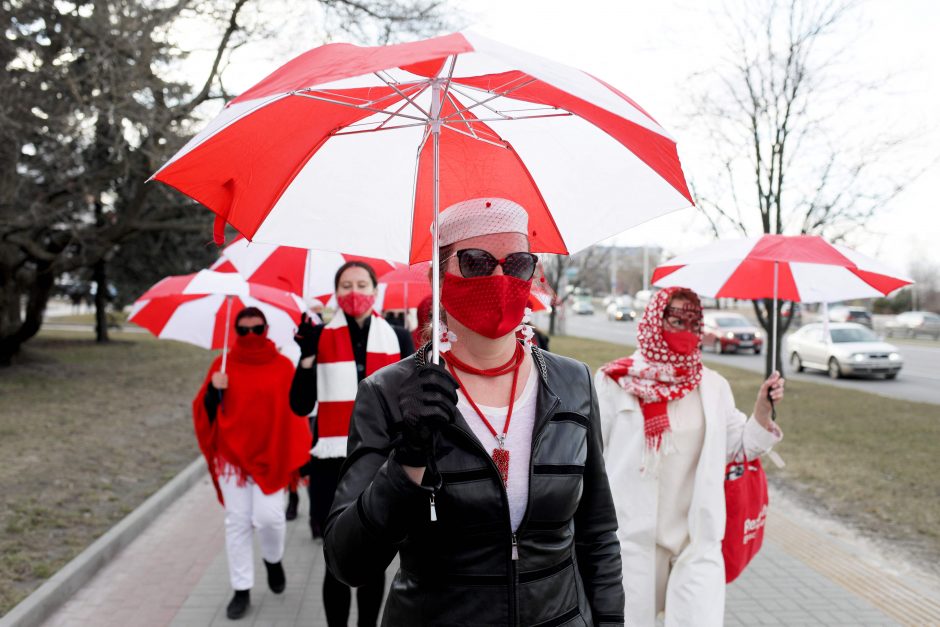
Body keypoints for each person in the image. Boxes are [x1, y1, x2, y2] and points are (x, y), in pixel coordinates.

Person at [324, 198, 625, 626]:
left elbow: (597, 533)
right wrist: (406, 464)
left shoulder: (573, 382)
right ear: (439, 277)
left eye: (518, 262)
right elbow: (347, 562)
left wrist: (610, 621)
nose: (501, 277)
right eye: (477, 262)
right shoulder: (388, 393)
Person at [594, 287, 785, 626]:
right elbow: (592, 457)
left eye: (694, 321)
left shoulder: (712, 386)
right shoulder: (614, 382)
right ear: (655, 320)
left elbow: (740, 448)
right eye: (676, 319)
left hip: (695, 542)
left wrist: (762, 412)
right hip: (632, 541)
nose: (686, 329)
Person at [290, 261, 414, 627]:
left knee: (373, 558)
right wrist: (308, 356)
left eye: (362, 284)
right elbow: (299, 404)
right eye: (346, 286)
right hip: (332, 462)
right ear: (336, 293)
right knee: (337, 559)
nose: (354, 292)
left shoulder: (397, 337)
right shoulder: (318, 337)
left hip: (381, 461)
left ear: (375, 292)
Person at [192, 307, 312, 620]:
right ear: (235, 330)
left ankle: (273, 560)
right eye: (242, 330)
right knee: (238, 521)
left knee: (269, 518)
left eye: (256, 329)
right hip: (232, 456)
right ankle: (241, 588)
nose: (250, 335)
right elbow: (205, 411)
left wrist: (300, 456)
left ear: (266, 329)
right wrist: (212, 392)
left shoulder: (282, 365)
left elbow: (295, 412)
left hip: (271, 454)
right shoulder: (223, 364)